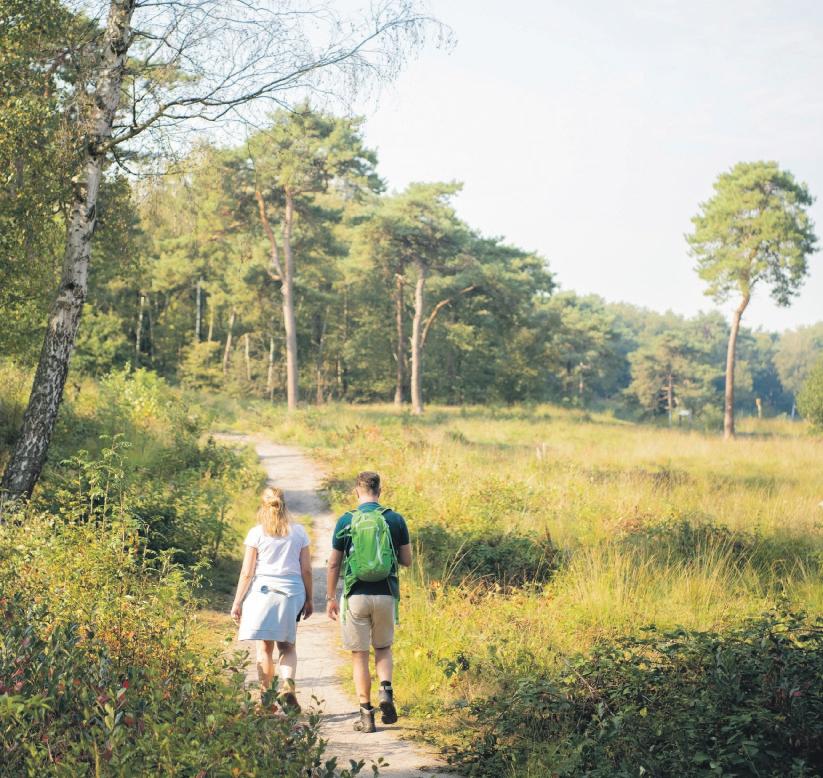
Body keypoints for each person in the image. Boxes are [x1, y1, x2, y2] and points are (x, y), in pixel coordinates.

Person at [326, 471, 412, 733]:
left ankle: (366, 716)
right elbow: (407, 560)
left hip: (356, 596)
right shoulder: (394, 519)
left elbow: (334, 563)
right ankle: (385, 691)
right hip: (385, 593)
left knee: (359, 655)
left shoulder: (346, 521)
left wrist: (330, 597)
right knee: (383, 648)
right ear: (379, 491)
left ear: (356, 491)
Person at [231, 486, 313, 712]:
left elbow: (247, 572)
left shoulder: (256, 533)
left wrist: (237, 602)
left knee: (264, 648)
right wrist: (309, 599)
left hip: (263, 593)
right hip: (291, 594)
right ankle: (287, 687)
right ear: (284, 504)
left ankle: (266, 702)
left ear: (263, 506)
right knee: (287, 647)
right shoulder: (299, 532)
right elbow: (306, 570)